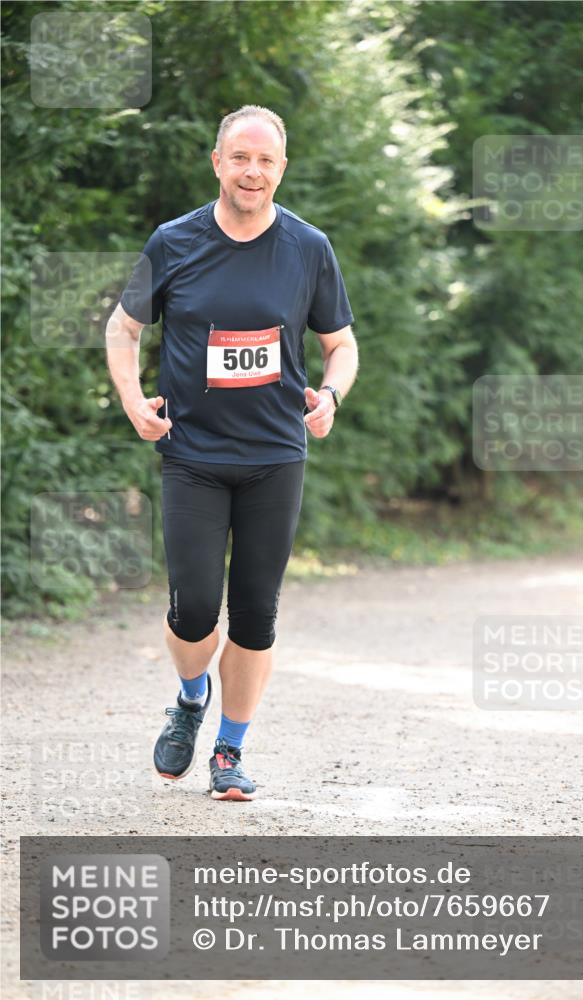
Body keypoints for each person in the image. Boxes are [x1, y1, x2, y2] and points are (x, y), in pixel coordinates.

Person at [106, 104, 358, 802]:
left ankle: (229, 750)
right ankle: (191, 698)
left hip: (275, 454)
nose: (252, 171)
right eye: (239, 158)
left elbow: (340, 344)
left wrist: (330, 396)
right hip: (192, 453)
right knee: (193, 608)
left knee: (255, 612)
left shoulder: (308, 248)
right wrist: (133, 401)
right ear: (217, 163)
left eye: (265, 160)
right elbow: (122, 329)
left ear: (281, 168)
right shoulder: (174, 241)